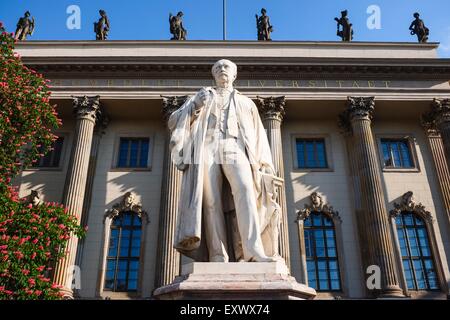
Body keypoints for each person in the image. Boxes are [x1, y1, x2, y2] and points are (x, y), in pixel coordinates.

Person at [168, 59, 281, 263]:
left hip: (234, 147)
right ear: (213, 74)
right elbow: (173, 121)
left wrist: (265, 165)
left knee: (246, 190)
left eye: (226, 67)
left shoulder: (247, 103)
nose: (222, 69)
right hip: (207, 147)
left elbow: (258, 136)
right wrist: (194, 105)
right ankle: (217, 255)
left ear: (234, 75)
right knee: (211, 201)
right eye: (217, 67)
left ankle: (253, 252)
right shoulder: (201, 96)